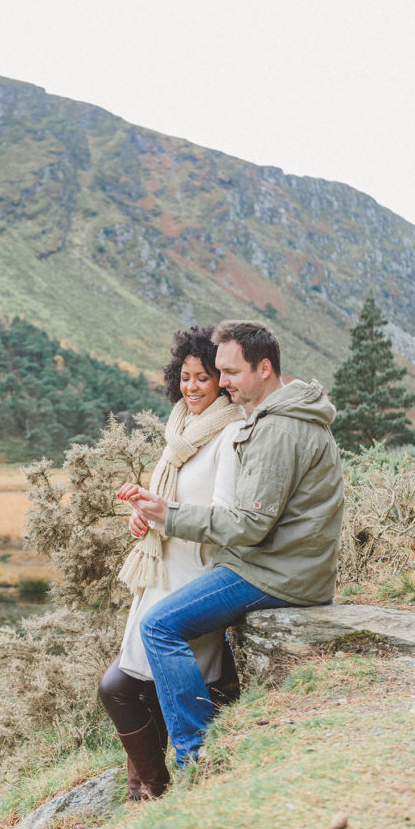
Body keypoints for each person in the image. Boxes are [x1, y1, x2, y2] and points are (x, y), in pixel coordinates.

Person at [118, 320, 345, 768]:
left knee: (160, 626)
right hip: (284, 564)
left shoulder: (278, 429)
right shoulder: (277, 417)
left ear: (264, 368)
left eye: (230, 373)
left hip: (278, 573)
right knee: (169, 623)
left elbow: (250, 525)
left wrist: (169, 515)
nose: (222, 383)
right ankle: (205, 738)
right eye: (216, 372)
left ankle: (195, 753)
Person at [98, 325, 244, 800]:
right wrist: (143, 516)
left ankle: (154, 789)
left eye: (203, 377)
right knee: (137, 686)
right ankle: (144, 791)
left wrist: (165, 515)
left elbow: (225, 517)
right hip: (160, 573)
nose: (192, 387)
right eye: (185, 376)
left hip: (195, 576)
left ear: (222, 380)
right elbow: (168, 505)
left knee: (117, 686)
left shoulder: (231, 434)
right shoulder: (179, 430)